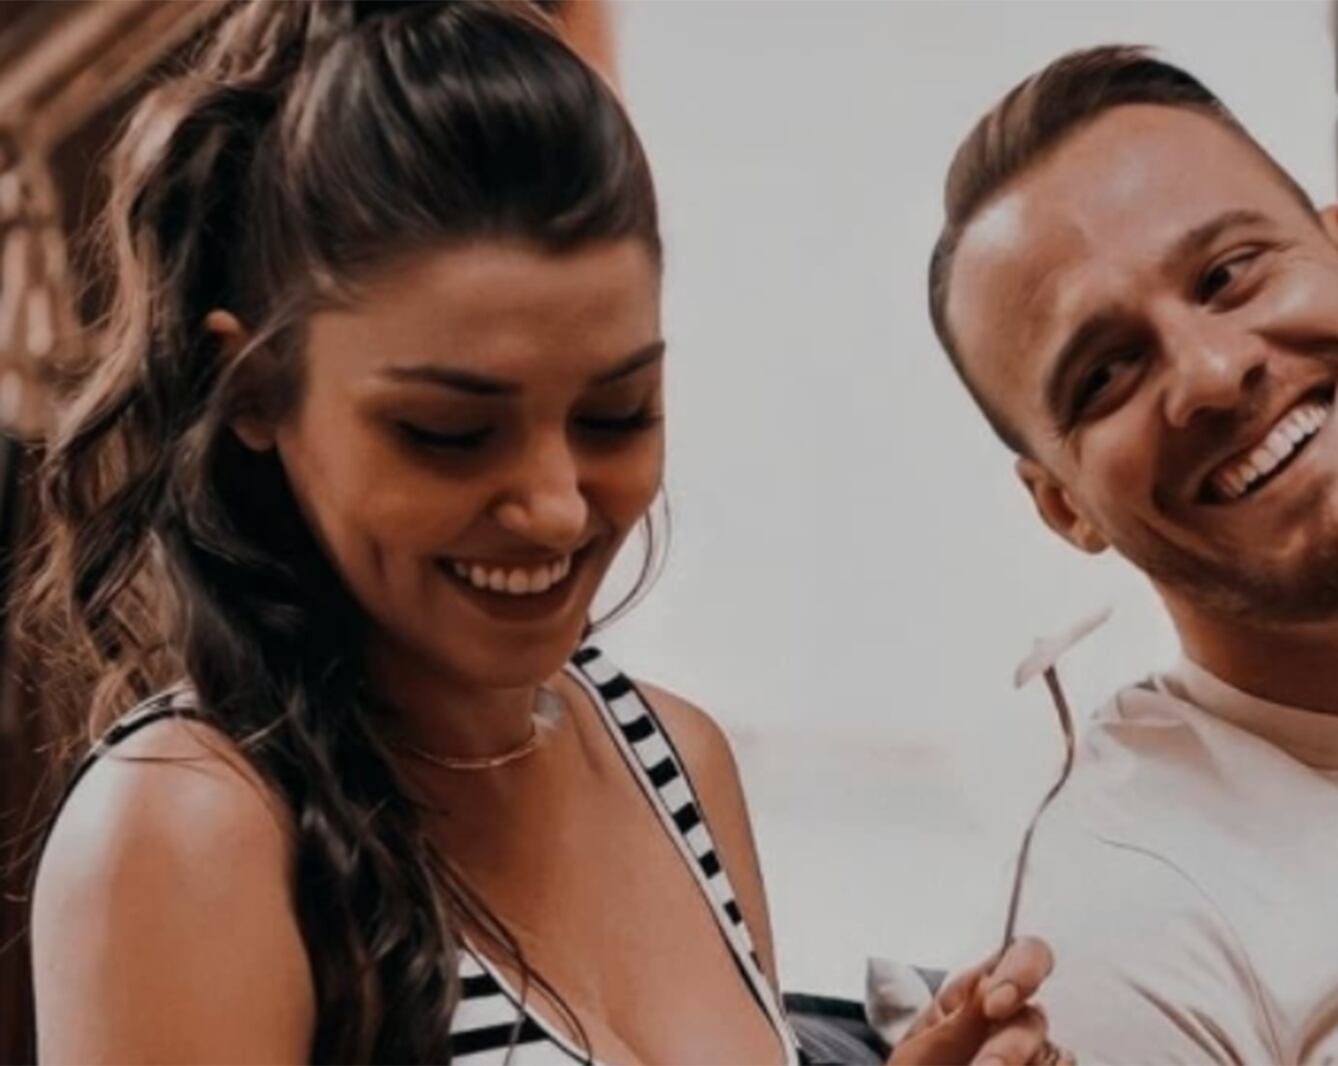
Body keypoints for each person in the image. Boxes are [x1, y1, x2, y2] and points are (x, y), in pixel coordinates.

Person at [23, 3, 1055, 1062]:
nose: (556, 505)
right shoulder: (186, 833)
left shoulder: (677, 761)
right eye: (451, 433)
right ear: (253, 391)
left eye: (616, 415)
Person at [925, 44, 1338, 1064]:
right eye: (1105, 374)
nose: (1211, 371)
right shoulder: (1121, 939)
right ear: (1065, 505)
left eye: (1228, 275)